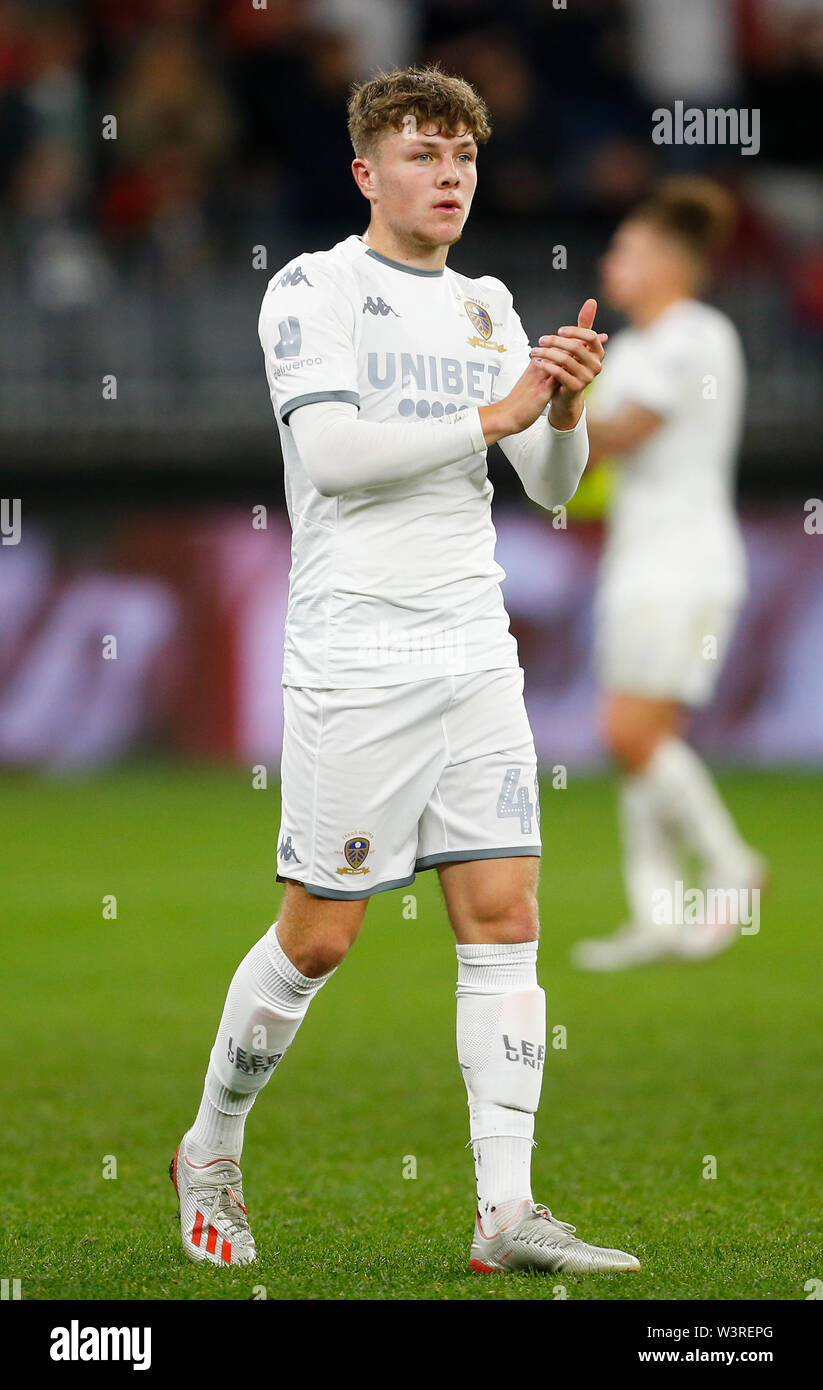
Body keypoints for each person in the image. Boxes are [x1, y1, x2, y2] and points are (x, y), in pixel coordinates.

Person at [170, 64, 639, 1276]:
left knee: (505, 914)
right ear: (367, 172)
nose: (450, 178)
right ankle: (211, 1142)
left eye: (466, 159)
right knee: (320, 938)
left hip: (473, 647)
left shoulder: (486, 304)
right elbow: (328, 455)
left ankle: (506, 1211)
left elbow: (543, 487)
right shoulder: (313, 288)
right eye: (424, 156)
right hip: (358, 647)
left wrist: (563, 412)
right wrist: (497, 416)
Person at [572, 178, 767, 973]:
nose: (610, 262)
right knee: (641, 742)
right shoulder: (640, 347)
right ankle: (658, 915)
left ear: (666, 262)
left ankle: (729, 868)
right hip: (641, 559)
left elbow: (620, 432)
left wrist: (539, 408)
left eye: (625, 249)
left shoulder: (693, 333)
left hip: (682, 564)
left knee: (627, 732)